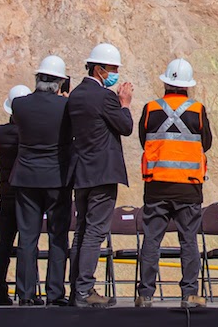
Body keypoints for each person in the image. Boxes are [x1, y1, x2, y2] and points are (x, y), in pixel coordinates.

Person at [135, 58, 212, 309]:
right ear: (188, 86)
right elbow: (206, 143)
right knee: (188, 240)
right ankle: (189, 295)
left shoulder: (150, 108)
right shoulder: (197, 110)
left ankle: (145, 295)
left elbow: (143, 139)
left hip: (156, 186)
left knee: (151, 240)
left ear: (166, 82)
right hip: (188, 187)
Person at [67, 43, 133, 308]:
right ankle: (84, 290)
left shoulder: (75, 95)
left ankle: (76, 289)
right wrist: (124, 103)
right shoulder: (104, 97)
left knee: (81, 231)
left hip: (81, 172)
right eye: (113, 69)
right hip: (102, 173)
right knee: (95, 232)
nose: (115, 74)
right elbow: (125, 126)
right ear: (99, 69)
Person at [11, 56, 73, 306]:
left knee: (27, 237)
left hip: (26, 177)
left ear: (37, 79)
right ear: (59, 83)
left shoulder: (19, 104)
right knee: (58, 236)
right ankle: (55, 293)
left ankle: (25, 293)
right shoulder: (65, 107)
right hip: (56, 178)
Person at [0, 84, 30, 305]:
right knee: (27, 242)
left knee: (4, 243)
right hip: (26, 196)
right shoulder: (29, 134)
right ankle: (27, 290)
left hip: (6, 195)